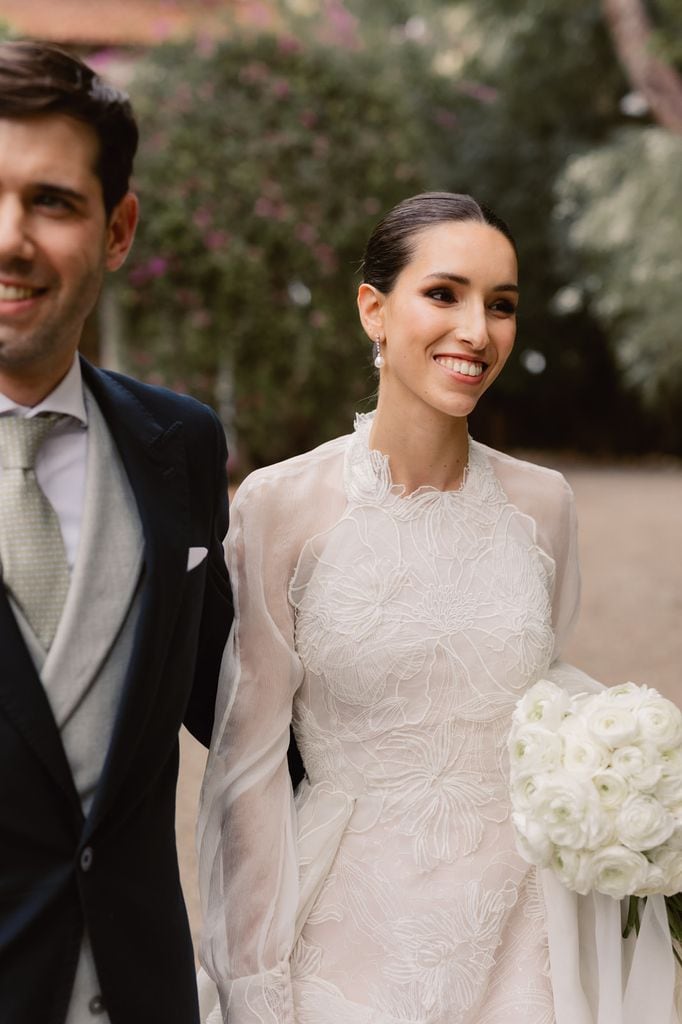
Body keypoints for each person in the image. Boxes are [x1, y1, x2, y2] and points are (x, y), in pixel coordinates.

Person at [197, 191, 680, 1024]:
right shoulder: (279, 505)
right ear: (374, 311)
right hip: (344, 932)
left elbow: (546, 692)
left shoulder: (546, 506)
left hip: (527, 939)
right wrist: (251, 982)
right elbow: (247, 774)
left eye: (502, 306)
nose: (477, 331)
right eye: (445, 294)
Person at [0, 41, 232, 1024]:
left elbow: (241, 706)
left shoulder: (180, 444)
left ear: (117, 228)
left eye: (51, 201)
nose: (10, 237)